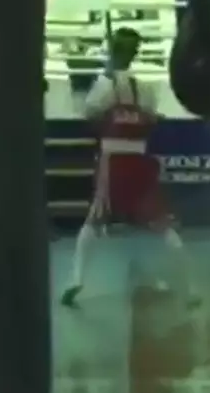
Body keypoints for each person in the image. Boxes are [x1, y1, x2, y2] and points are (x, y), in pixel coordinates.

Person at [60, 27, 190, 308]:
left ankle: (76, 279)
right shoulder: (145, 89)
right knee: (160, 224)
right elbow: (153, 119)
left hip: (114, 162)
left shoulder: (105, 85)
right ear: (135, 53)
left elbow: (90, 115)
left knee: (94, 222)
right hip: (139, 163)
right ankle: (187, 288)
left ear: (113, 50)